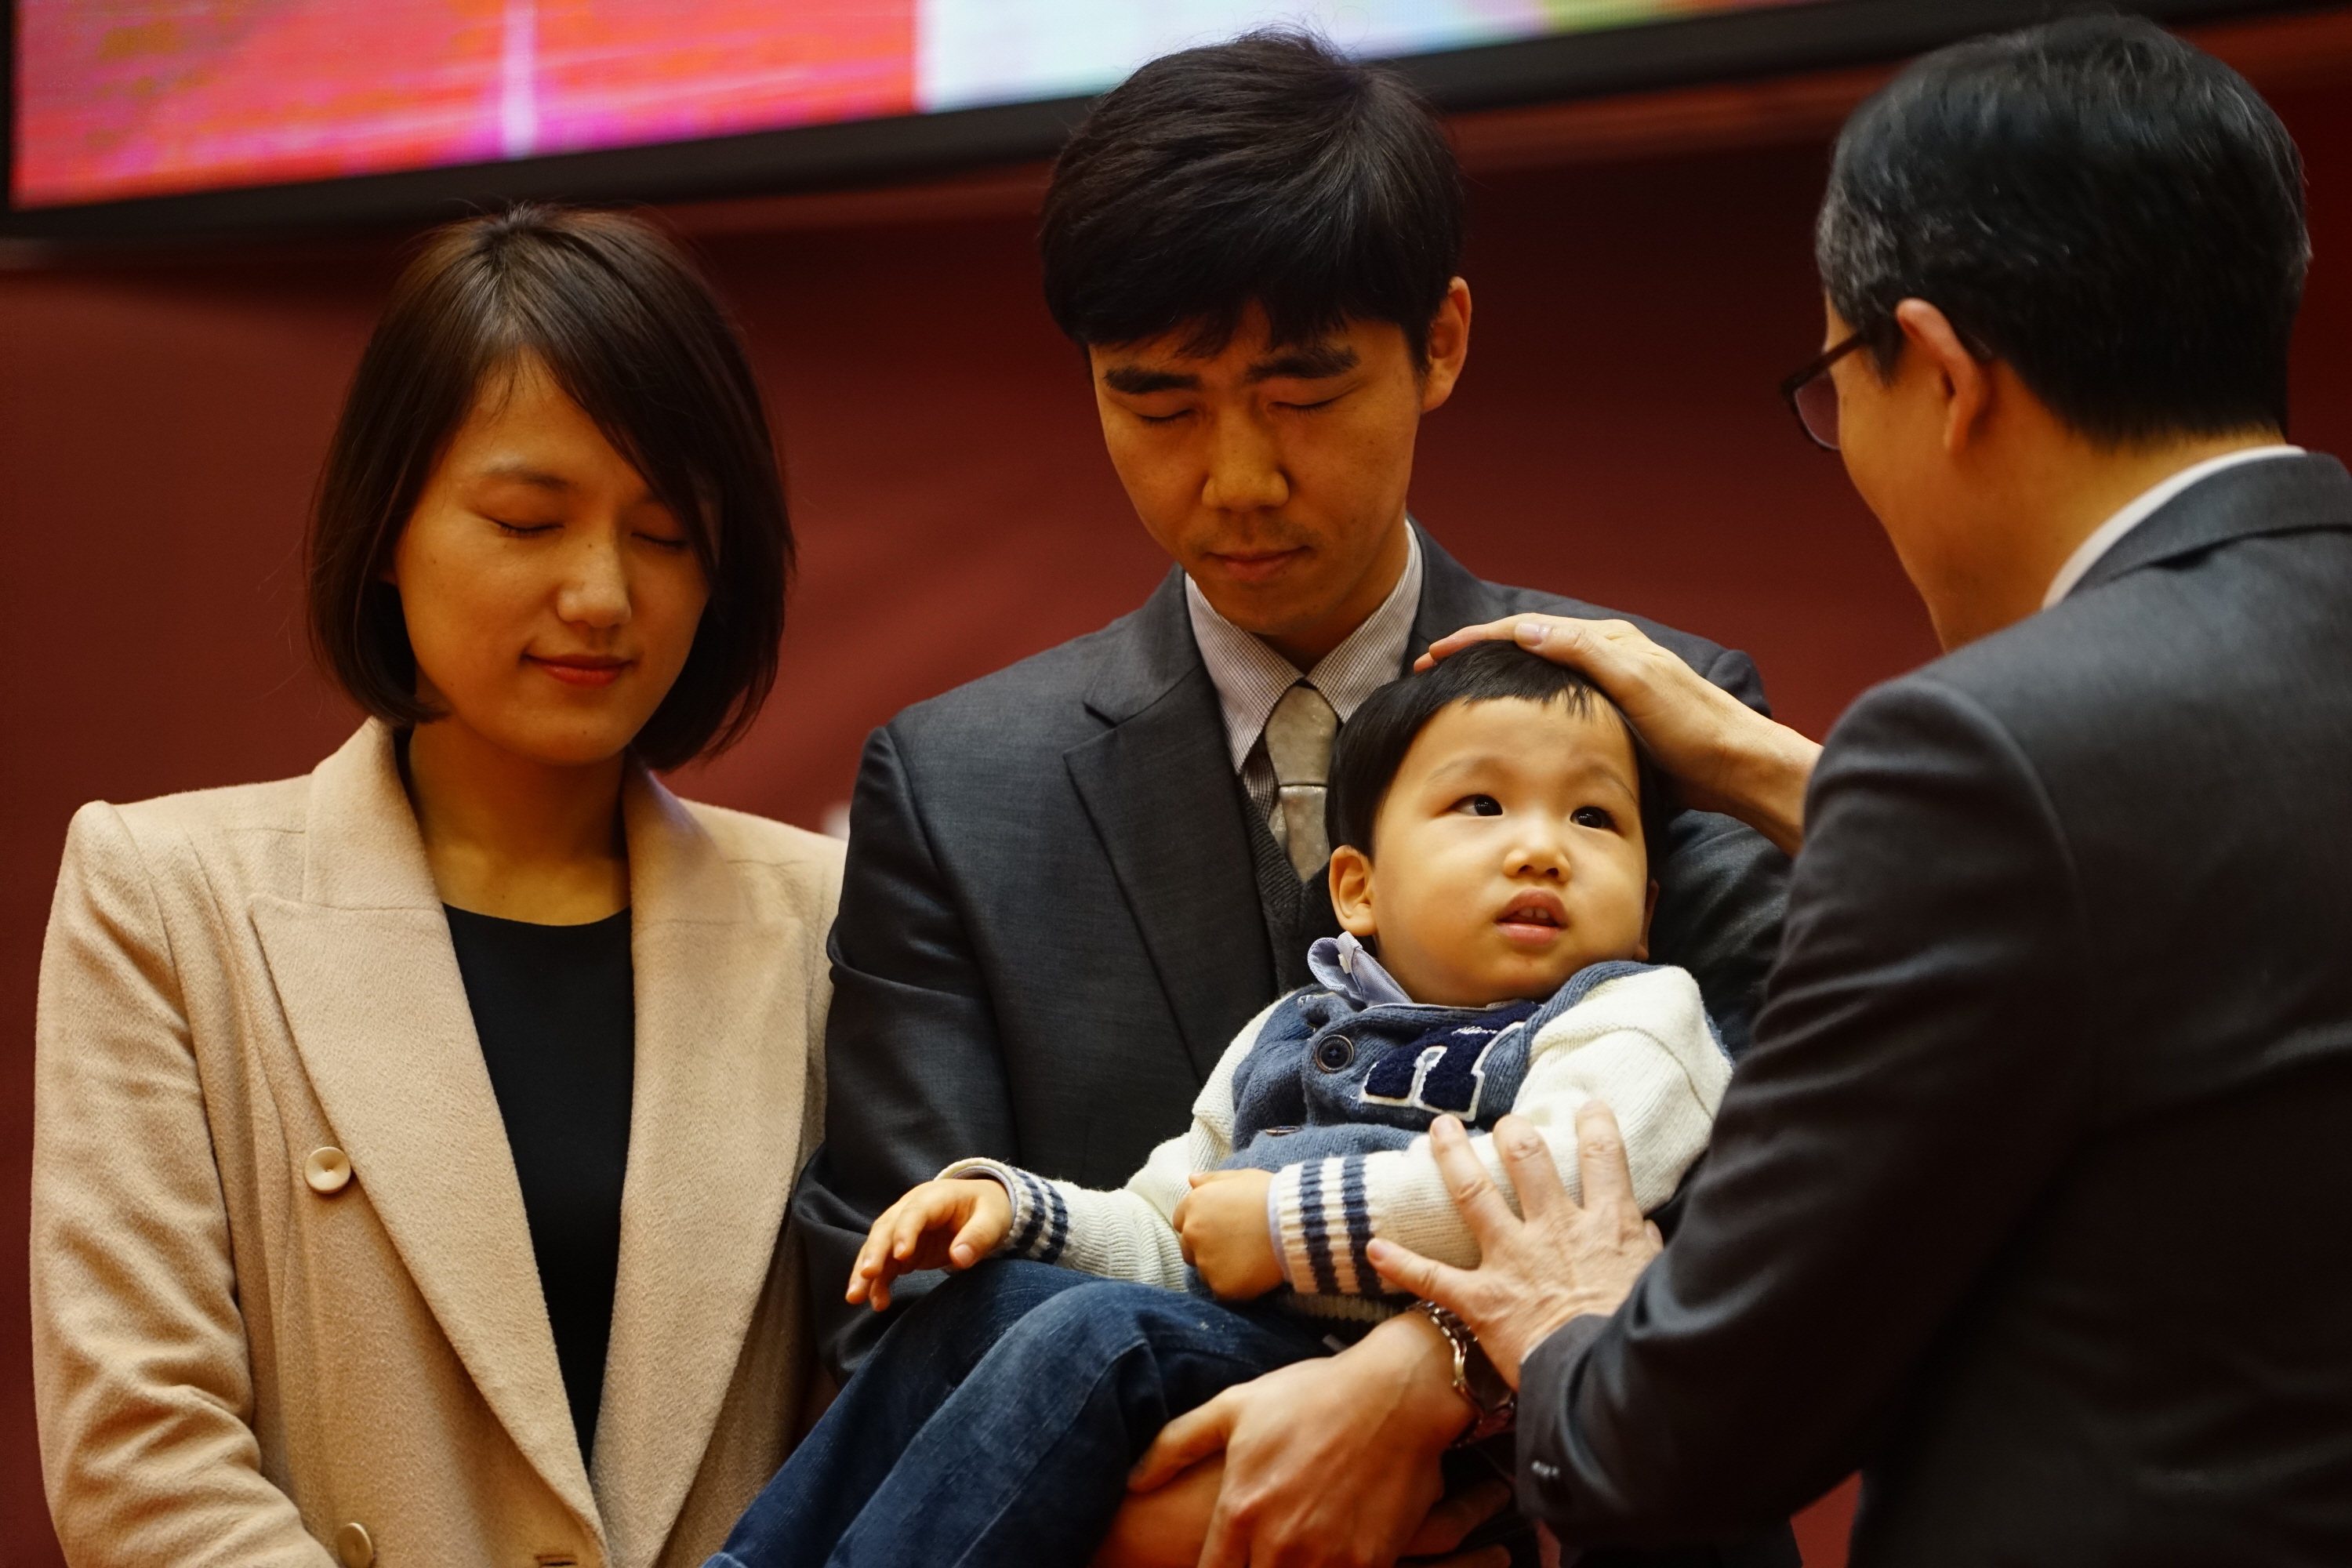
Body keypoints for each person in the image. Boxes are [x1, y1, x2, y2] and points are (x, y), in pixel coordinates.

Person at [1210, 16, 2352, 1566]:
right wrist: (1774, 767)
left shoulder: (1975, 756)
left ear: (1938, 373)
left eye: (1834, 386)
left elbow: (1679, 1437)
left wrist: (1558, 1315)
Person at [790, 31, 1793, 1559]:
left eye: (1303, 391)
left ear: (1440, 341)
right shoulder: (956, 786)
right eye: (1159, 404)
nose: (1238, 477)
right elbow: (896, 1306)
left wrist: (1427, 1382)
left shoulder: (1663, 720)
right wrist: (1223, 1518)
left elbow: (1786, 1200)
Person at [31, 207, 841, 1568]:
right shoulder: (167, 898)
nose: (602, 594)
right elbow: (141, 1459)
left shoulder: (829, 918)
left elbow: (882, 1425)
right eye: (529, 520)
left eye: (664, 533)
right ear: (386, 527)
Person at [713, 643, 1730, 1566]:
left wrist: (1287, 1225)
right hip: (1237, 1360)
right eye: (1482, 805)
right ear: (1358, 890)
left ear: (1646, 912)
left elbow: (1559, 1196)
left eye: (1594, 818)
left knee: (1098, 1336)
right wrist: (1023, 1210)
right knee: (990, 1300)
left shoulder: (1635, 1014)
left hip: (1448, 1424)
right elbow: (1174, 1227)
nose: (1542, 848)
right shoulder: (1288, 1030)